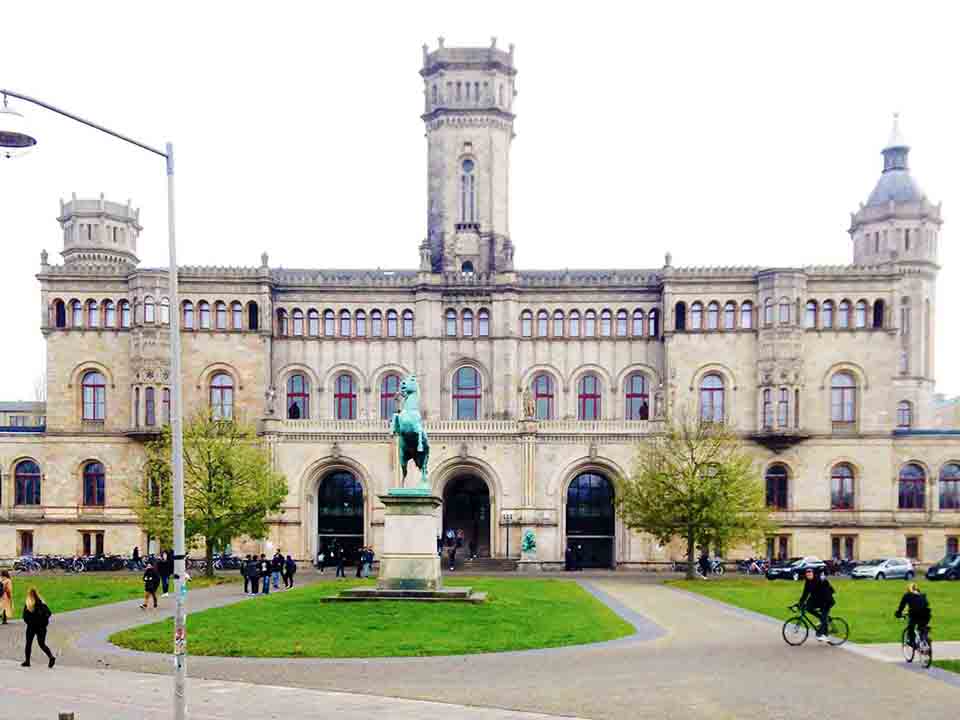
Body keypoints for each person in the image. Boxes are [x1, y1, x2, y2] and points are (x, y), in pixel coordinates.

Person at [21, 588, 55, 668]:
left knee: (28, 644)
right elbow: (49, 613)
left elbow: (24, 616)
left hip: (31, 627)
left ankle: (27, 661)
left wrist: (29, 622)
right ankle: (51, 657)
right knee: (42, 644)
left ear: (29, 594)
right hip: (42, 627)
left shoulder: (29, 604)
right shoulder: (42, 603)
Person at [798, 568, 835, 641]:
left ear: (813, 573)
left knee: (824, 616)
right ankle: (822, 619)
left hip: (826, 600)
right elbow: (805, 593)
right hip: (818, 600)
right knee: (808, 608)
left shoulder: (819, 580)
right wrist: (800, 603)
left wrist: (824, 579)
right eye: (807, 573)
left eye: (810, 572)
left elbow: (826, 589)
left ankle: (822, 634)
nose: (808, 574)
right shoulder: (808, 582)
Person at [895, 582, 931, 649]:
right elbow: (926, 604)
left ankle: (912, 642)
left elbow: (901, 606)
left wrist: (898, 614)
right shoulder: (923, 595)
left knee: (910, 626)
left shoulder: (907, 595)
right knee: (922, 627)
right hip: (926, 613)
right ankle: (925, 638)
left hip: (915, 614)